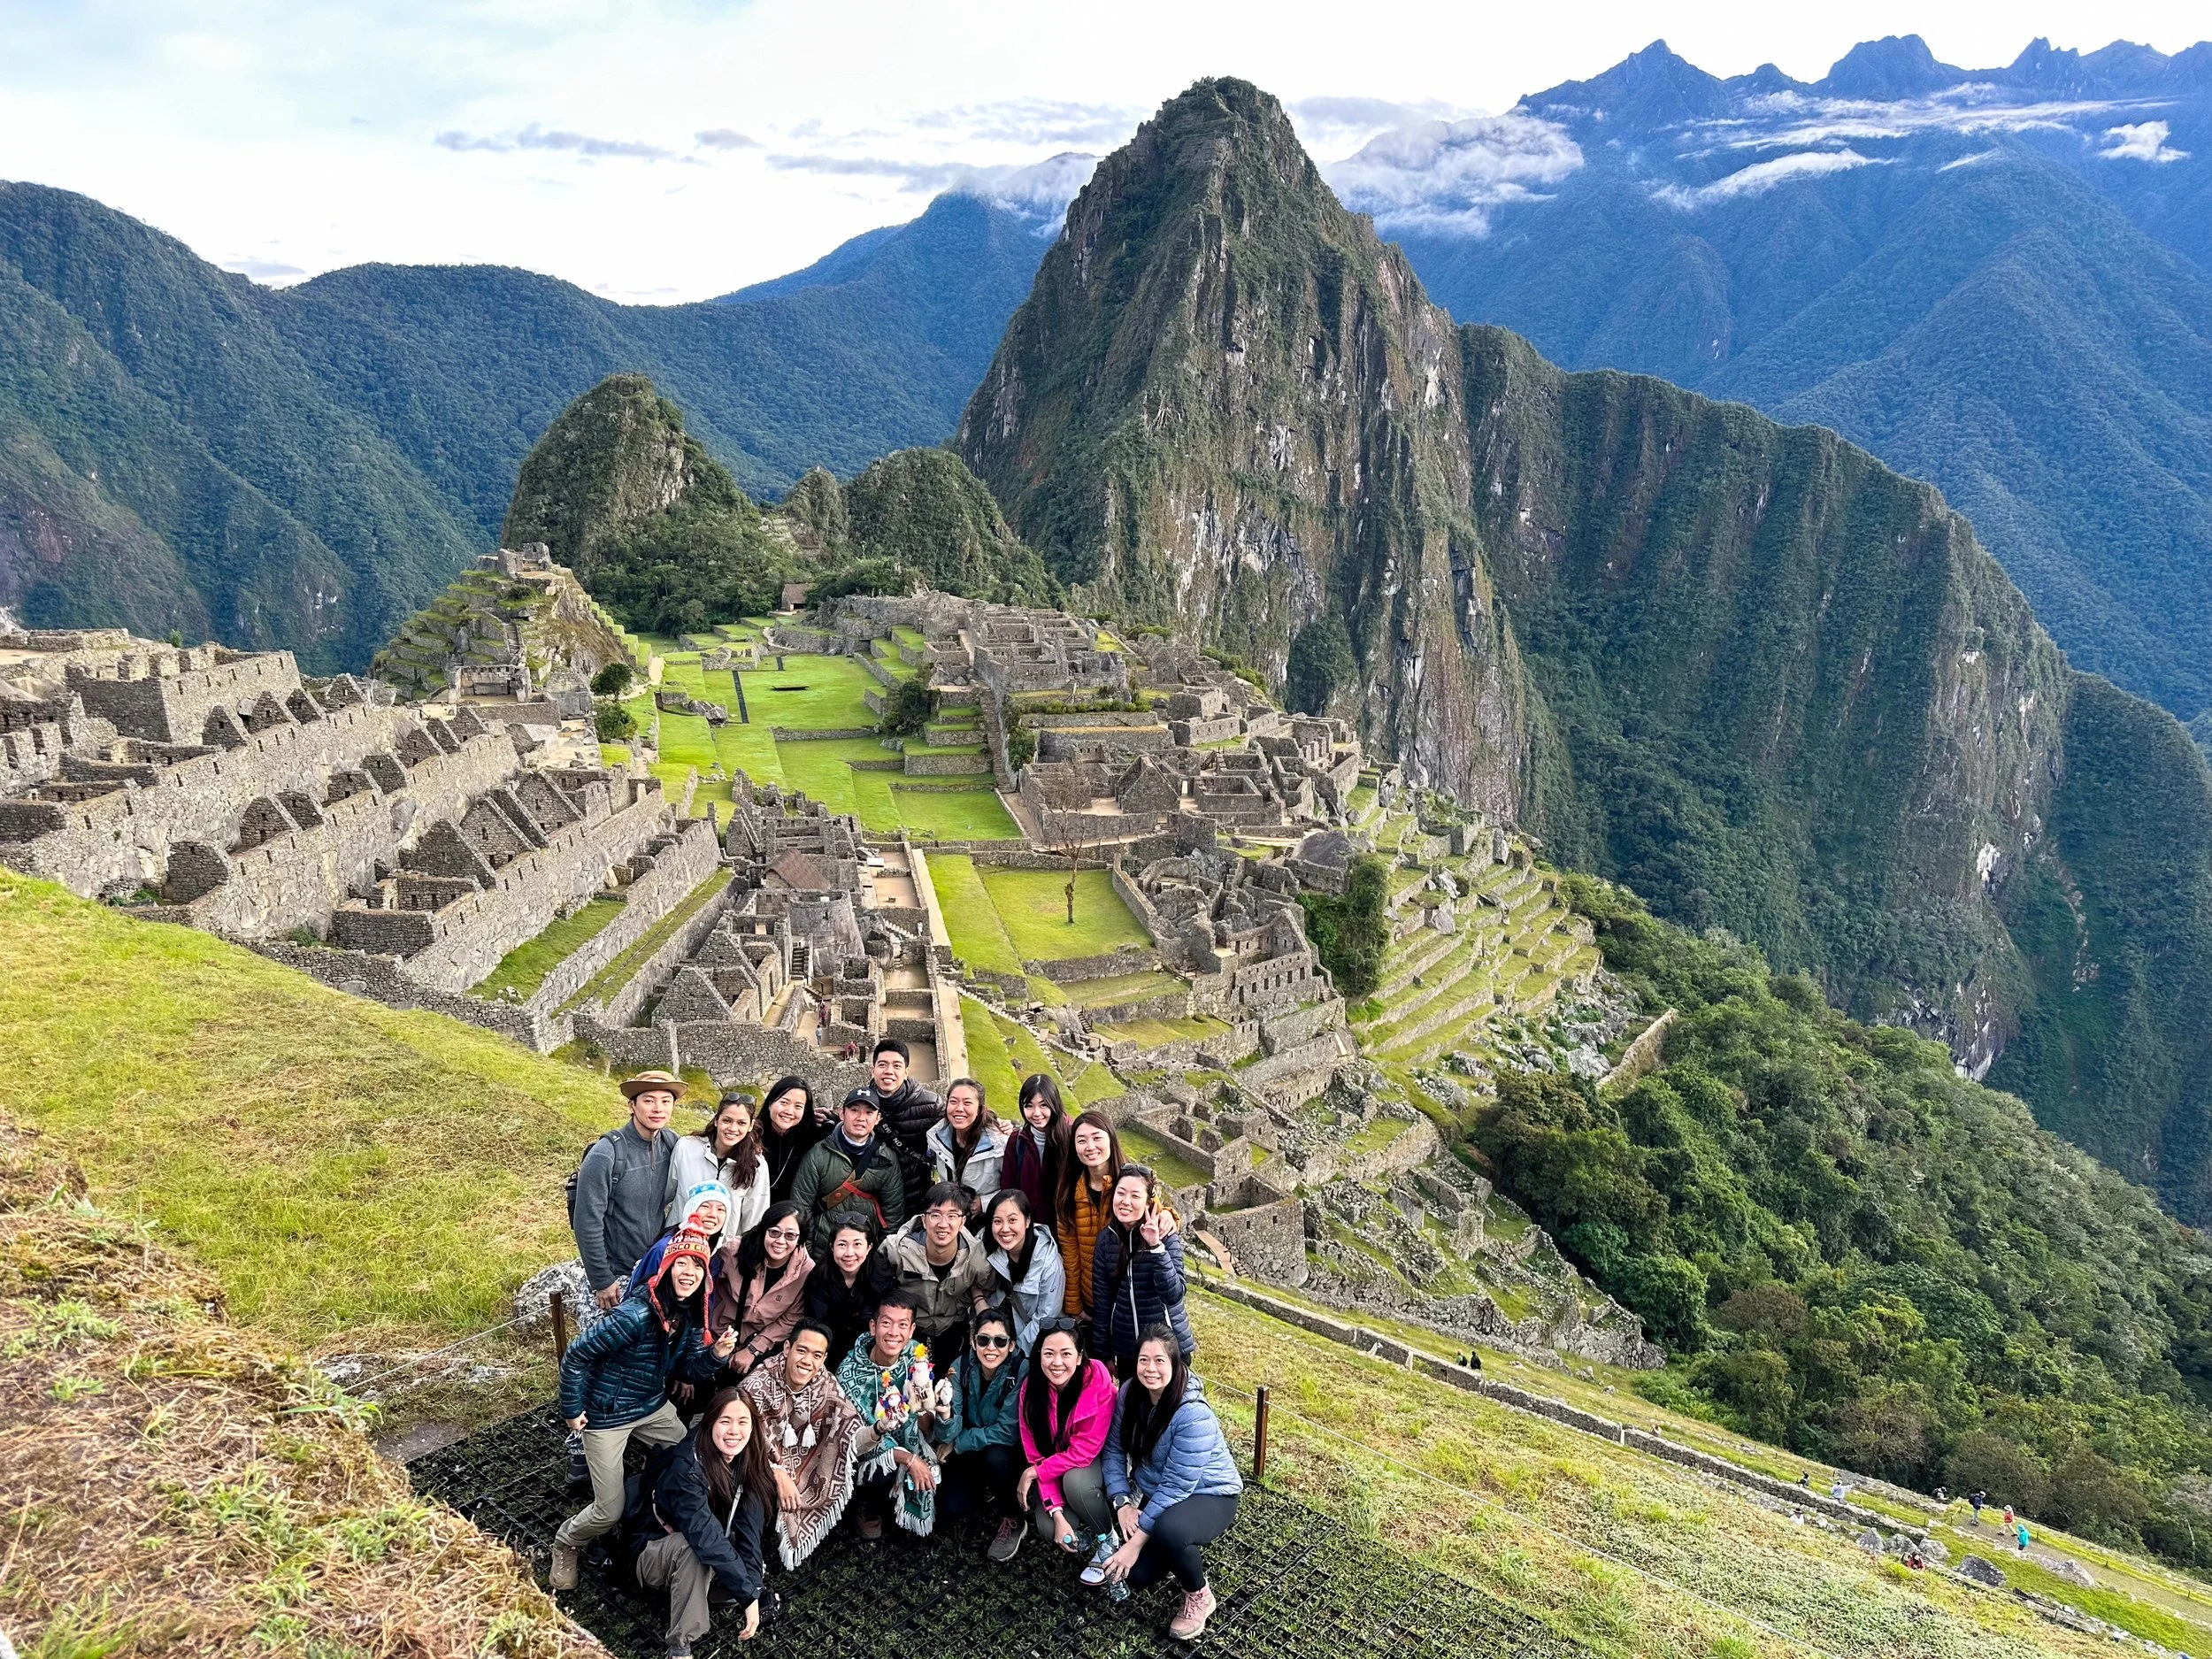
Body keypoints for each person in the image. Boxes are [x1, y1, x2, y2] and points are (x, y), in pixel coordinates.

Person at [551, 1228, 738, 1591]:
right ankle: (567, 1541)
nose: (688, 1272)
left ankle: (653, 1510)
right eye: (681, 1263)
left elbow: (685, 1369)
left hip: (651, 1405)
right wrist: (572, 1408)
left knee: (694, 1456)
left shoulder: (687, 1314)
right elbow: (576, 1355)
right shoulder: (634, 1315)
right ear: (666, 1267)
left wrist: (716, 1356)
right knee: (608, 1510)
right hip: (607, 1414)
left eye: (697, 1266)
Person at [1097, 1326, 1243, 1642]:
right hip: (1157, 1489)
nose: (1151, 1369)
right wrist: (1122, 1502)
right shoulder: (1129, 1392)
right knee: (1135, 1576)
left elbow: (1178, 1485)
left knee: (1169, 1531)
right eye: (1143, 1360)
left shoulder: (1193, 1414)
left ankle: (1199, 1595)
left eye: (1160, 1360)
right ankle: (1161, 1548)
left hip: (1210, 1493)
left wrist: (1135, 1544)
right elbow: (1113, 1450)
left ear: (1176, 1364)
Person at [622, 1386, 773, 1656]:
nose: (734, 1432)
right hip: (655, 1549)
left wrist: (754, 1588)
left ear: (753, 1426)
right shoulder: (687, 1467)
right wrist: (747, 1595)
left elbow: (750, 1529)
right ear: (709, 1422)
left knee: (741, 1562)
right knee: (696, 1550)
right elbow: (704, 1535)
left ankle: (716, 1586)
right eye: (724, 1421)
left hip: (705, 1540)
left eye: (742, 1422)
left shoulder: (749, 1457)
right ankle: (680, 1645)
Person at [740, 1318, 863, 1567]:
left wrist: (880, 1429)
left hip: (801, 1467)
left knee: (843, 1460)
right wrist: (777, 1473)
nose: (807, 1361)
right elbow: (740, 1438)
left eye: (817, 1355)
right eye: (802, 1350)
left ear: (824, 1359)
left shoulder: (824, 1382)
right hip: (756, 1463)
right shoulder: (758, 1383)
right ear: (787, 1349)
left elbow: (850, 1428)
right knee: (754, 1494)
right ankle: (748, 1559)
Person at [573, 1071, 683, 1312]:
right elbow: (587, 1222)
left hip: (654, 1271)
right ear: (632, 1105)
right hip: (616, 1278)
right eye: (648, 1100)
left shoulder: (672, 1144)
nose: (658, 1108)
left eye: (666, 1101)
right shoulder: (606, 1153)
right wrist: (602, 1280)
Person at [836, 1290, 942, 1540]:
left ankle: (901, 1503)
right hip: (870, 1448)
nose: (894, 1333)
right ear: (873, 1327)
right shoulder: (849, 1373)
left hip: (913, 1439)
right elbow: (859, 1436)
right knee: (883, 1472)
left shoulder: (916, 1353)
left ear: (912, 1329)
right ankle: (866, 1506)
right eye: (886, 1323)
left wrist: (924, 1406)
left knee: (949, 1508)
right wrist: (910, 1460)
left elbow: (924, 1419)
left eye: (902, 1325)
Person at [1016, 1318, 1118, 1555]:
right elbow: (1035, 1454)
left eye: (1066, 1354)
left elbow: (1084, 1452)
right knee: (1048, 1526)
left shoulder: (1098, 1381)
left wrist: (1034, 1472)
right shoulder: (1031, 1389)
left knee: (1077, 1485)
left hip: (1095, 1460)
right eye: (1049, 1354)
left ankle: (1107, 1537)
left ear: (1080, 1357)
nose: (1057, 1362)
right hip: (1057, 1465)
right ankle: (1081, 1519)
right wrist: (1057, 1513)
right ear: (1039, 1354)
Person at [933, 1307, 1026, 1562]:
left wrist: (958, 1442)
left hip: (1006, 1451)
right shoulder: (960, 1366)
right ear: (974, 1342)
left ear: (1012, 1345)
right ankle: (983, 1490)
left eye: (1000, 1341)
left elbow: (1008, 1431)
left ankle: (1013, 1516)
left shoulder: (1021, 1371)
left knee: (995, 1459)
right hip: (970, 1448)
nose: (991, 1348)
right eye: (984, 1340)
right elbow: (947, 1431)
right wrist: (945, 1418)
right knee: (950, 1508)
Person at [1090, 1166, 1193, 1373]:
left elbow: (1173, 1295)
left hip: (1168, 1349)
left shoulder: (1165, 1235)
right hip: (1128, 1350)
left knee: (1169, 1405)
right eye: (1121, 1193)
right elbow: (1103, 1301)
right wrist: (1103, 1353)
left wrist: (1156, 1247)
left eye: (1135, 1196)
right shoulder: (1105, 1240)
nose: (1125, 1201)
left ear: (1148, 1202)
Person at [882, 1182, 995, 1362]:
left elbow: (987, 1288)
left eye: (952, 1216)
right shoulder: (896, 1250)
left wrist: (966, 1302)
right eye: (935, 1215)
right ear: (924, 1220)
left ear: (962, 1222)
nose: (943, 1224)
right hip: (908, 1327)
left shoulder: (977, 1259)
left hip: (953, 1327)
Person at [791, 1088, 906, 1255]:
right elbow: (801, 1208)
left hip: (866, 1253)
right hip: (823, 1252)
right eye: (854, 1110)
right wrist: (808, 1258)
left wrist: (880, 1256)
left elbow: (893, 1213)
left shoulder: (886, 1158)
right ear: (842, 1113)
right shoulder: (817, 1155)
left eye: (869, 1112)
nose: (861, 1118)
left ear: (878, 1119)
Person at [711, 1202, 815, 1378]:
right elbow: (705, 1289)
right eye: (774, 1232)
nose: (780, 1241)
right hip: (714, 1335)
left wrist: (753, 1349)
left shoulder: (806, 1271)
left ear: (800, 1239)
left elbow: (791, 1318)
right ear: (763, 1230)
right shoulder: (734, 1251)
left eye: (790, 1236)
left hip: (757, 1343)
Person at [842, 1038, 942, 1212]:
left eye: (897, 1066)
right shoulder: (860, 1104)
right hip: (873, 1202)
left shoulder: (931, 1106)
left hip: (916, 1200)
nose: (889, 1071)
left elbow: (963, 1123)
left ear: (906, 1072)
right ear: (873, 1070)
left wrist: (998, 1124)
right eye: (882, 1065)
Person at [1057, 1110, 1123, 1328]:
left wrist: (1169, 1216)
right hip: (1091, 1297)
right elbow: (1070, 1254)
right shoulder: (1068, 1192)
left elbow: (1156, 1211)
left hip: (1125, 1296)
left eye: (1097, 1138)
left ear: (1110, 1139)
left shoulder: (1130, 1182)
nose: (1090, 1146)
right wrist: (1074, 1306)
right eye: (1081, 1140)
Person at [671, 1094, 771, 1236]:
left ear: (750, 1126)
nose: (732, 1128)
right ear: (717, 1120)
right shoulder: (686, 1147)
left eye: (741, 1123)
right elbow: (667, 1193)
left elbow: (755, 1219)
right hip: (679, 1243)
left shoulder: (757, 1165)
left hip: (724, 1251)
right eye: (727, 1120)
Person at [983, 1189, 1066, 1356]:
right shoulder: (985, 1247)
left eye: (1012, 1220)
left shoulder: (1049, 1263)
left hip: (1030, 1347)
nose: (1005, 1229)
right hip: (996, 1340)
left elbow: (1046, 1317)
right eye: (997, 1221)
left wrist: (1014, 1353)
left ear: (1027, 1221)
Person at [802, 1216, 895, 1363]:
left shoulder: (882, 1273)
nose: (849, 1253)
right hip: (830, 1348)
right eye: (842, 1245)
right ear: (832, 1247)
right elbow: (817, 1325)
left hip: (872, 1348)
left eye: (857, 1244)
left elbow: (887, 1319)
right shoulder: (818, 1278)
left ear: (869, 1247)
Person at [629, 1181, 734, 1294]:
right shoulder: (663, 1249)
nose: (712, 1214)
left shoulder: (714, 1255)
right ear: (691, 1209)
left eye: (721, 1209)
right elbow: (638, 1297)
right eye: (705, 1206)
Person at [927, 1076, 1004, 1215]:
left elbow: (1015, 1187)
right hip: (952, 1217)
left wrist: (984, 1203)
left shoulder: (999, 1145)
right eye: (953, 1102)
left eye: (967, 1103)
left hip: (989, 1220)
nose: (959, 1109)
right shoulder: (936, 1137)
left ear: (980, 1109)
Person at [1002, 1074, 1071, 1225]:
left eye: (1043, 1105)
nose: (1036, 1113)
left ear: (1054, 1103)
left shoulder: (1072, 1136)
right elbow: (1008, 1191)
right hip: (1028, 1228)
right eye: (1029, 1106)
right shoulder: (1016, 1141)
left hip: (1067, 1230)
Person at [758, 1076, 827, 1204]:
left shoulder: (811, 1140)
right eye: (784, 1102)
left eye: (798, 1106)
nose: (789, 1111)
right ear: (770, 1103)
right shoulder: (750, 1136)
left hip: (792, 1216)